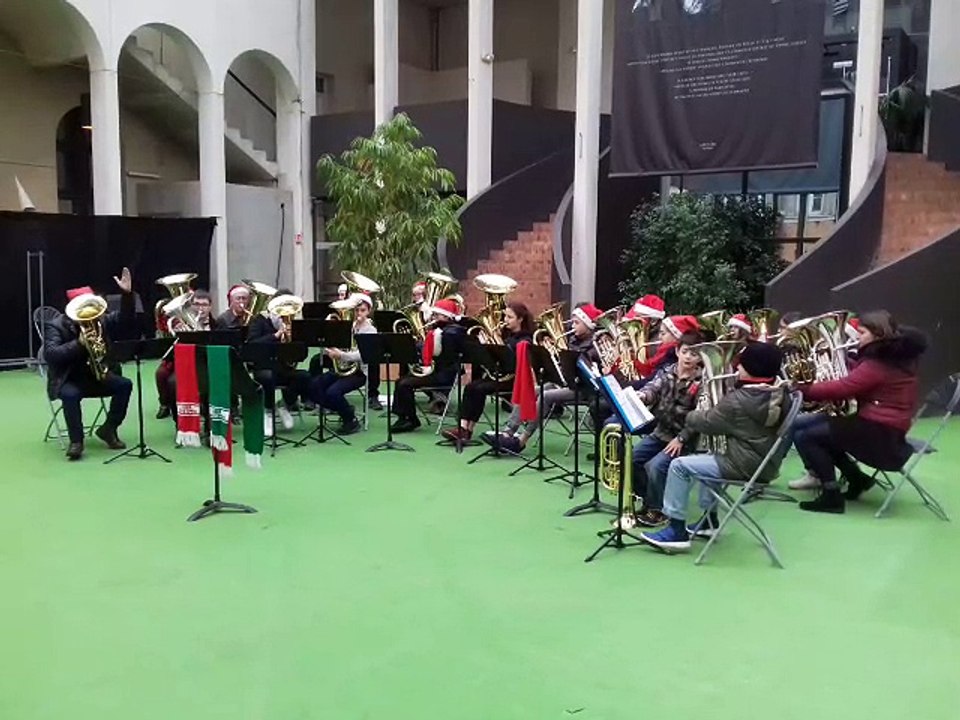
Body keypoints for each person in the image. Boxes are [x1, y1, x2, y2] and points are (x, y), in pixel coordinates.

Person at [640, 342, 789, 553]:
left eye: (741, 365)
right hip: (764, 461)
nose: (737, 368)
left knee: (679, 466)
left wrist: (695, 405)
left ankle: (676, 531)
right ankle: (709, 521)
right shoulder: (781, 391)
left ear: (753, 370)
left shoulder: (738, 401)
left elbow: (703, 422)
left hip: (742, 463)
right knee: (710, 453)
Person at [791, 311, 927, 514]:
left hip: (879, 435)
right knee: (813, 429)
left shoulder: (879, 363)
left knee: (808, 436)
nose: (857, 337)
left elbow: (844, 388)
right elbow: (860, 379)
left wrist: (802, 389)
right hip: (887, 429)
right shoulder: (895, 358)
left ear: (878, 335)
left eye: (861, 333)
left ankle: (831, 496)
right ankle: (856, 479)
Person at [44, 269, 137, 461]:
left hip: (98, 374)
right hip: (69, 377)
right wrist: (78, 344)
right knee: (70, 395)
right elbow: (51, 355)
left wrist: (127, 295)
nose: (88, 313)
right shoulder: (56, 325)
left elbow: (125, 320)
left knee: (124, 385)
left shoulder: (100, 319)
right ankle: (76, 442)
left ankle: (109, 429)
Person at [492, 303, 603, 453]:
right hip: (568, 383)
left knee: (545, 396)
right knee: (530, 391)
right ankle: (508, 432)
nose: (573, 326)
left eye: (577, 323)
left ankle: (522, 440)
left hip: (584, 389)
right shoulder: (573, 340)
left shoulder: (595, 344)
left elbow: (589, 371)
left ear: (588, 324)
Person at [629, 330, 704, 527]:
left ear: (700, 358)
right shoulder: (667, 372)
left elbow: (700, 417)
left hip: (684, 439)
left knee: (657, 466)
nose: (689, 357)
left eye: (694, 354)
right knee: (633, 458)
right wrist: (642, 396)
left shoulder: (701, 382)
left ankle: (658, 511)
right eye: (686, 351)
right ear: (678, 351)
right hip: (661, 432)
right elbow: (653, 388)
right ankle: (650, 501)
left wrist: (682, 438)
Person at [441, 302, 535, 444]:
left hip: (514, 380)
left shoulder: (525, 339)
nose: (505, 320)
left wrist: (500, 346)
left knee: (479, 389)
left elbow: (515, 363)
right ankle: (463, 427)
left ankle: (468, 429)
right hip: (500, 376)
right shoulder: (506, 334)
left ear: (520, 319)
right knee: (471, 386)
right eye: (505, 316)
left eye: (510, 317)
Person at [391, 298, 466, 432]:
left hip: (444, 374)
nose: (434, 317)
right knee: (401, 381)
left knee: (405, 384)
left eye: (437, 315)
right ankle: (404, 417)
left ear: (446, 316)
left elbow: (442, 355)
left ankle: (411, 419)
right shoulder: (439, 330)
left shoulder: (452, 332)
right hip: (436, 370)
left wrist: (423, 345)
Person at [308, 292, 377, 435]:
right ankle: (344, 409)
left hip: (358, 373)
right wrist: (329, 347)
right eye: (356, 310)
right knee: (313, 386)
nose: (359, 314)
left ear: (368, 311)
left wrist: (341, 355)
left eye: (363, 310)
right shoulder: (348, 326)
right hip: (341, 369)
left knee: (333, 392)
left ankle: (350, 419)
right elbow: (334, 344)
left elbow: (363, 355)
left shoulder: (370, 330)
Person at [247, 289, 311, 436]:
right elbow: (252, 345)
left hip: (283, 368)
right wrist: (275, 336)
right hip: (263, 367)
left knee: (305, 377)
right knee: (268, 377)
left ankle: (284, 405)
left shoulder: (293, 323)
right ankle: (268, 411)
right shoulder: (260, 320)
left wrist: (294, 340)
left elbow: (303, 353)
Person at [155, 290, 217, 419]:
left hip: (209, 365)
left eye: (204, 305)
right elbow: (171, 350)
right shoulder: (181, 324)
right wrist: (179, 335)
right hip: (185, 365)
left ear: (210, 307)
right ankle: (178, 421)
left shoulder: (216, 325)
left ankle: (211, 418)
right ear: (191, 305)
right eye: (196, 304)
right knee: (173, 383)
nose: (200, 308)